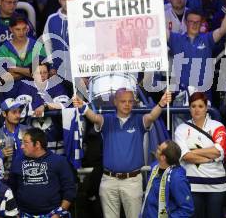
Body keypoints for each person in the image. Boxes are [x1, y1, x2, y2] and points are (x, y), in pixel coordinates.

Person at [73, 89, 172, 218]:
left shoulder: (139, 120)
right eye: (123, 101)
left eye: (130, 101)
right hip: (109, 180)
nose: (127, 104)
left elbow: (152, 116)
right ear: (115, 102)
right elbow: (95, 118)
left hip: (132, 180)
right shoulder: (107, 120)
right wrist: (84, 108)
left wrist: (161, 104)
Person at [174, 92, 226, 218]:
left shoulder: (217, 126)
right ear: (189, 109)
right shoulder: (181, 129)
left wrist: (192, 152)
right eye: (193, 106)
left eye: (200, 106)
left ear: (206, 108)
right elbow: (185, 156)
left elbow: (218, 151)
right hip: (192, 185)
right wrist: (210, 158)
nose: (197, 110)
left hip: (216, 185)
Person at [168, 0, 226, 98]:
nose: (194, 25)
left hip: (203, 96)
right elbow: (160, 30)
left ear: (201, 23)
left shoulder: (207, 38)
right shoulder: (176, 39)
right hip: (181, 95)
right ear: (186, 23)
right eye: (191, 22)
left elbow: (222, 30)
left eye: (197, 22)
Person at [9, 127, 76, 216]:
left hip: (52, 214)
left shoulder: (59, 161)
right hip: (24, 214)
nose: (22, 146)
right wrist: (15, 213)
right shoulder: (17, 161)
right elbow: (11, 189)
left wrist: (59, 213)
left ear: (37, 144)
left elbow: (70, 190)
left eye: (25, 143)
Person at [140, 140, 194, 218]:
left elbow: (187, 209)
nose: (156, 149)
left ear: (163, 157)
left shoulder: (177, 179)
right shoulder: (154, 167)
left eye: (159, 149)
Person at [0, 15, 46, 86]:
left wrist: (16, 69)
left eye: (24, 29)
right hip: (12, 90)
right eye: (18, 29)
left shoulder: (38, 46)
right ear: (11, 29)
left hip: (36, 87)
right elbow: (4, 78)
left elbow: (43, 73)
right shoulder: (3, 50)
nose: (21, 33)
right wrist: (30, 72)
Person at [43, 0, 76, 84]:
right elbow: (47, 43)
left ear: (76, 0)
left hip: (78, 71)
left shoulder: (83, 18)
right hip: (57, 71)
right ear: (59, 0)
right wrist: (51, 65)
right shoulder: (51, 19)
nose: (67, 3)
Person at [0, 98, 28, 183]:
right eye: (14, 112)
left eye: (19, 112)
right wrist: (1, 154)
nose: (18, 115)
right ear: (4, 114)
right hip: (7, 179)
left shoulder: (28, 131)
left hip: (27, 176)